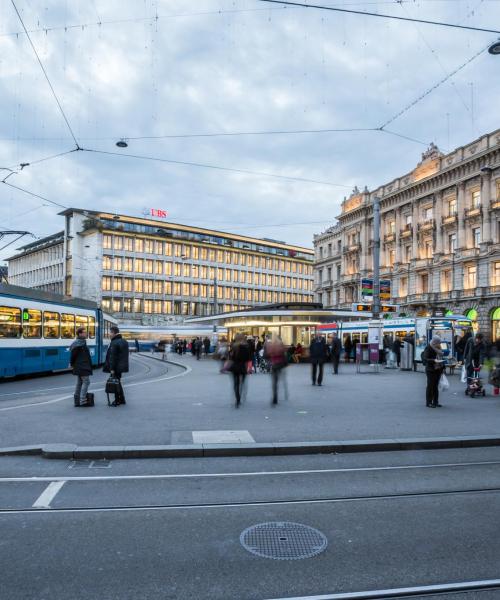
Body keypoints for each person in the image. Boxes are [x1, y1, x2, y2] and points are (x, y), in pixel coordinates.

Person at [103, 325, 129, 406]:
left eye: (110, 332)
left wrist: (112, 368)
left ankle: (118, 400)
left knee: (115, 383)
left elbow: (112, 357)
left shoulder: (114, 342)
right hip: (121, 366)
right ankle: (122, 399)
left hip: (116, 367)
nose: (109, 334)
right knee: (118, 382)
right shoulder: (124, 341)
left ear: (114, 333)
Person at [70, 327, 93, 407]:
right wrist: (72, 364)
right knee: (86, 382)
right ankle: (83, 400)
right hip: (82, 366)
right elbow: (73, 356)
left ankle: (77, 401)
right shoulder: (77, 344)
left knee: (79, 383)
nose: (86, 333)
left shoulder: (82, 342)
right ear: (80, 334)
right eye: (84, 332)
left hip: (82, 366)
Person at [422, 335, 445, 408]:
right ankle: (428, 402)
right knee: (430, 386)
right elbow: (425, 359)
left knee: (435, 386)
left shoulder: (438, 348)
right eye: (438, 343)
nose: (439, 344)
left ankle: (435, 402)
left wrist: (442, 366)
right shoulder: (428, 348)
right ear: (435, 342)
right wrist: (434, 360)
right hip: (430, 369)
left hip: (438, 369)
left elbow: (441, 356)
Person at [265, 334, 287, 404]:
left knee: (274, 381)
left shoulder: (271, 345)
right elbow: (284, 354)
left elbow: (267, 355)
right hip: (280, 364)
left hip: (273, 364)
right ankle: (282, 392)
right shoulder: (281, 345)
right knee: (280, 379)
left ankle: (275, 395)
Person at [229, 334, 251, 407]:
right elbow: (248, 358)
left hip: (235, 367)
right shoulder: (246, 347)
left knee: (236, 383)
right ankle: (241, 395)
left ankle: (237, 399)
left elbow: (231, 357)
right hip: (242, 367)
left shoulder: (234, 346)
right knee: (242, 382)